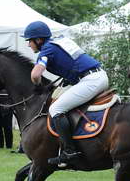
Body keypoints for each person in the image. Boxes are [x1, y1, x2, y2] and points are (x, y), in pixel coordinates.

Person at [23, 21, 109, 166]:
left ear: (38, 40)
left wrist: (37, 85)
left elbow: (35, 75)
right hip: (97, 76)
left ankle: (69, 152)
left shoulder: (46, 50)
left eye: (29, 41)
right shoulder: (59, 40)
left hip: (89, 80)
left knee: (55, 109)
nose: (28, 45)